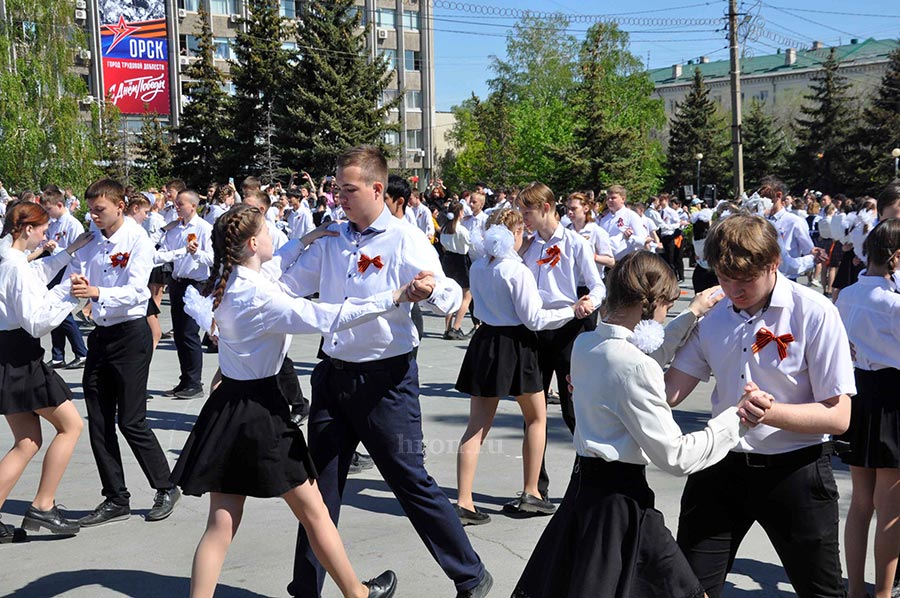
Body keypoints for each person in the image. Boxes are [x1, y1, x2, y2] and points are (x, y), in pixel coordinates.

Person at [283, 146, 492, 598]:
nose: (339, 197)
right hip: (334, 376)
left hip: (385, 383)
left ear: (378, 189)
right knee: (319, 492)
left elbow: (452, 295)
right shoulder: (333, 238)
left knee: (409, 481)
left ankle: (470, 576)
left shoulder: (403, 238)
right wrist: (301, 241)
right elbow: (286, 287)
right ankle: (306, 590)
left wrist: (430, 290)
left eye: (349, 190)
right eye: (337, 189)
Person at [171, 205, 401, 598]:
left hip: (227, 407)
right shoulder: (259, 297)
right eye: (268, 231)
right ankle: (357, 594)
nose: (274, 235)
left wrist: (305, 240)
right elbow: (328, 316)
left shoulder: (227, 282)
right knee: (315, 512)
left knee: (221, 523)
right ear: (253, 243)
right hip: (262, 411)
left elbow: (273, 268)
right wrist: (392, 297)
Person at [514, 252, 752, 598]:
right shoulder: (631, 365)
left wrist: (690, 315)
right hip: (621, 505)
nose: (665, 314)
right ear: (649, 307)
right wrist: (736, 417)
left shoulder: (586, 342)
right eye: (665, 308)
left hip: (587, 493)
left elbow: (637, 360)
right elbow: (676, 456)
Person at [665, 213, 855, 598]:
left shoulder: (814, 312)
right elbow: (670, 392)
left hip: (796, 469)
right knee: (687, 588)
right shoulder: (713, 316)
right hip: (720, 466)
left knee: (822, 591)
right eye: (724, 277)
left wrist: (771, 413)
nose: (733, 289)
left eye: (745, 280)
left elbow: (839, 416)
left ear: (774, 264)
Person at [454, 209, 580, 525]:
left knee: (477, 425)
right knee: (536, 418)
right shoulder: (516, 270)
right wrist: (570, 311)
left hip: (485, 341)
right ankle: (531, 492)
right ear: (513, 235)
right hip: (517, 344)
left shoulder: (479, 267)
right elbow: (533, 318)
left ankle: (464, 500)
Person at [73, 179, 182, 527]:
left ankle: (166, 485)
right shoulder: (91, 240)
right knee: (99, 419)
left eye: (100, 209)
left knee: (130, 419)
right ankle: (115, 496)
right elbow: (75, 278)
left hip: (130, 335)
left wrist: (97, 292)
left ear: (121, 205)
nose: (94, 215)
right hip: (102, 335)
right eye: (90, 209)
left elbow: (138, 293)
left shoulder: (137, 239)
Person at [0, 202, 92, 541]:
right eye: (42, 228)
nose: (45, 234)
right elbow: (37, 322)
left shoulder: (6, 256)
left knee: (26, 442)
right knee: (71, 426)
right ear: (26, 229)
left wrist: (67, 253)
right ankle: (43, 507)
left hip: (8, 355)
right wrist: (71, 295)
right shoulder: (14, 265)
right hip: (22, 357)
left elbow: (34, 275)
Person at [517, 181, 605, 503]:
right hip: (535, 331)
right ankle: (535, 488)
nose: (523, 218)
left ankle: (590, 480)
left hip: (568, 329)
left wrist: (587, 303)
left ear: (544, 208)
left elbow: (598, 286)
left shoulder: (575, 243)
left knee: (573, 411)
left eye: (527, 211)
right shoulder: (526, 246)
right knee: (533, 412)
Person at [837, 217, 900, 598]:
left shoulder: (846, 294)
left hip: (861, 391)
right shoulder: (893, 304)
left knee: (862, 502)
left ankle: (857, 588)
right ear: (895, 256)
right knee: (890, 509)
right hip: (893, 397)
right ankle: (882, 594)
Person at [154, 189, 214, 400]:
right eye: (176, 203)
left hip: (196, 284)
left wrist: (196, 253)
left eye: (180, 203)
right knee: (179, 334)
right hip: (177, 281)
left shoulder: (204, 228)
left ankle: (195, 382)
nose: (176, 206)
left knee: (189, 334)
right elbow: (161, 253)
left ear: (193, 206)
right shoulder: (174, 229)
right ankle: (186, 379)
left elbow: (213, 260)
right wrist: (163, 230)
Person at [40, 185, 89, 369]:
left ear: (59, 205)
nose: (47, 212)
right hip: (55, 270)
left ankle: (81, 352)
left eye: (49, 209)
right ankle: (58, 354)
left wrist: (57, 249)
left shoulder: (72, 224)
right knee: (53, 312)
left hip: (69, 270)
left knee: (64, 314)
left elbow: (79, 251)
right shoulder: (53, 224)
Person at [440, 200, 473, 340]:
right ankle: (456, 327)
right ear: (460, 212)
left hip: (448, 259)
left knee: (450, 293)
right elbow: (470, 244)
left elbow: (442, 244)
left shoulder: (444, 229)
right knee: (467, 294)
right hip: (460, 260)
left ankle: (447, 328)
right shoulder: (461, 230)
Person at [598, 185, 648, 260]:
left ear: (623, 199)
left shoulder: (631, 216)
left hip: (624, 262)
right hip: (605, 262)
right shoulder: (604, 219)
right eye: (608, 198)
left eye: (613, 198)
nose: (609, 201)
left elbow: (642, 241)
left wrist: (629, 237)